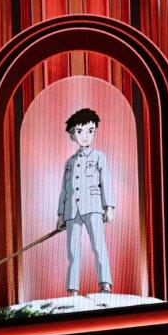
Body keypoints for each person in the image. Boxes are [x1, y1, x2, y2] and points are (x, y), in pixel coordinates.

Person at [56, 108, 116, 296]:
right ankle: (73, 289)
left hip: (93, 207)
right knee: (73, 251)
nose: (85, 136)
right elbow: (65, 190)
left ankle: (105, 283)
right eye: (80, 131)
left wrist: (109, 206)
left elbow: (106, 181)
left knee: (99, 246)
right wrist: (60, 215)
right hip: (72, 211)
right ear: (73, 135)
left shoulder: (99, 157)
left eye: (90, 131)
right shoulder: (70, 162)